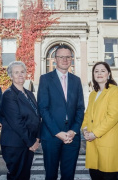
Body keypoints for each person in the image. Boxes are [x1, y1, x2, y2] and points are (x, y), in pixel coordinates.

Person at [37, 44, 85, 180]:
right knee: (51, 175)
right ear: (55, 59)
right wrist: (58, 132)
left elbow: (80, 108)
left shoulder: (76, 81)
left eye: (68, 57)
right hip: (52, 136)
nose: (65, 59)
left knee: (68, 176)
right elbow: (43, 108)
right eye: (61, 57)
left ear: (72, 59)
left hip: (72, 137)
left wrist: (74, 130)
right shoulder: (45, 79)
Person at [81, 62, 118, 180]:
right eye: (96, 71)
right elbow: (87, 115)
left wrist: (94, 134)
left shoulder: (116, 91)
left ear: (109, 74)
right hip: (93, 143)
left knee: (108, 177)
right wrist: (84, 130)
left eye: (103, 71)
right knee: (95, 175)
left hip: (108, 142)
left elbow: (112, 117)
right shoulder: (92, 94)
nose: (99, 73)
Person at [0, 61, 41, 180]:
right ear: (11, 75)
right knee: (16, 176)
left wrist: (37, 138)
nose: (20, 75)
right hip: (14, 144)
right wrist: (31, 142)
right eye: (16, 72)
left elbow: (37, 117)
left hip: (28, 143)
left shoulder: (29, 94)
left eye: (22, 72)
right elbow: (17, 123)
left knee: (25, 176)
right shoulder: (8, 95)